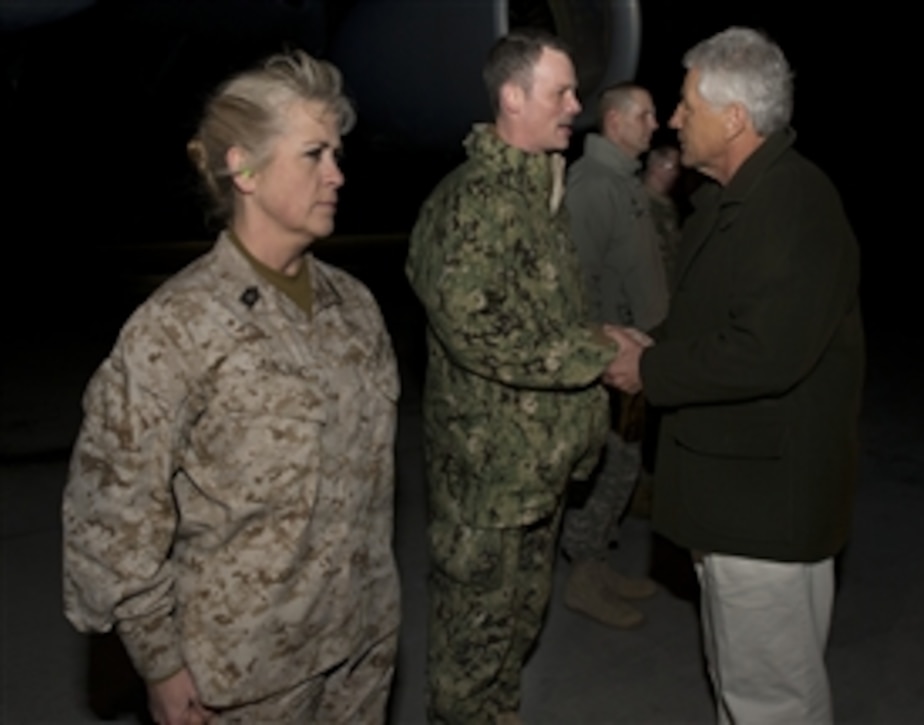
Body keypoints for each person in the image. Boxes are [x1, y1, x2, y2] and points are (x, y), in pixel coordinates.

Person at [62, 50, 401, 725]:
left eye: (337, 152)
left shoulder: (355, 306)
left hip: (360, 644)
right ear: (243, 167)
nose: (337, 173)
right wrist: (159, 660)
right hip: (246, 673)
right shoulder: (176, 327)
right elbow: (112, 515)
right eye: (314, 154)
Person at [605, 27, 865, 725]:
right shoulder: (734, 201)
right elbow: (718, 321)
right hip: (737, 497)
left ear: (735, 119)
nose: (673, 118)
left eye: (687, 104)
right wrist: (649, 344)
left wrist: (651, 367)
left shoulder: (793, 205)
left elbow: (766, 351)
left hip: (766, 510)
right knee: (742, 683)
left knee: (771, 699)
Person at [404, 28, 639, 725]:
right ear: (512, 97)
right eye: (561, 91)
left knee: (515, 636)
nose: (576, 104)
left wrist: (598, 333)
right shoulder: (470, 203)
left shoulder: (537, 193)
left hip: (534, 472)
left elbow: (545, 312)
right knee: (471, 655)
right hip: (488, 486)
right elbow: (484, 335)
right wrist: (604, 358)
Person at [559, 82, 669, 629]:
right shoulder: (593, 186)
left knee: (623, 465)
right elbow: (576, 282)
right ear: (616, 122)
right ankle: (583, 574)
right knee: (603, 467)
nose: (655, 125)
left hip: (636, 354)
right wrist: (604, 349)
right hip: (608, 361)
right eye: (645, 115)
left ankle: (597, 562)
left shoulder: (624, 184)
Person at [642, 144, 683, 286]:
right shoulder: (638, 203)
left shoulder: (667, 206)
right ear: (655, 166)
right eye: (671, 166)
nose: (675, 173)